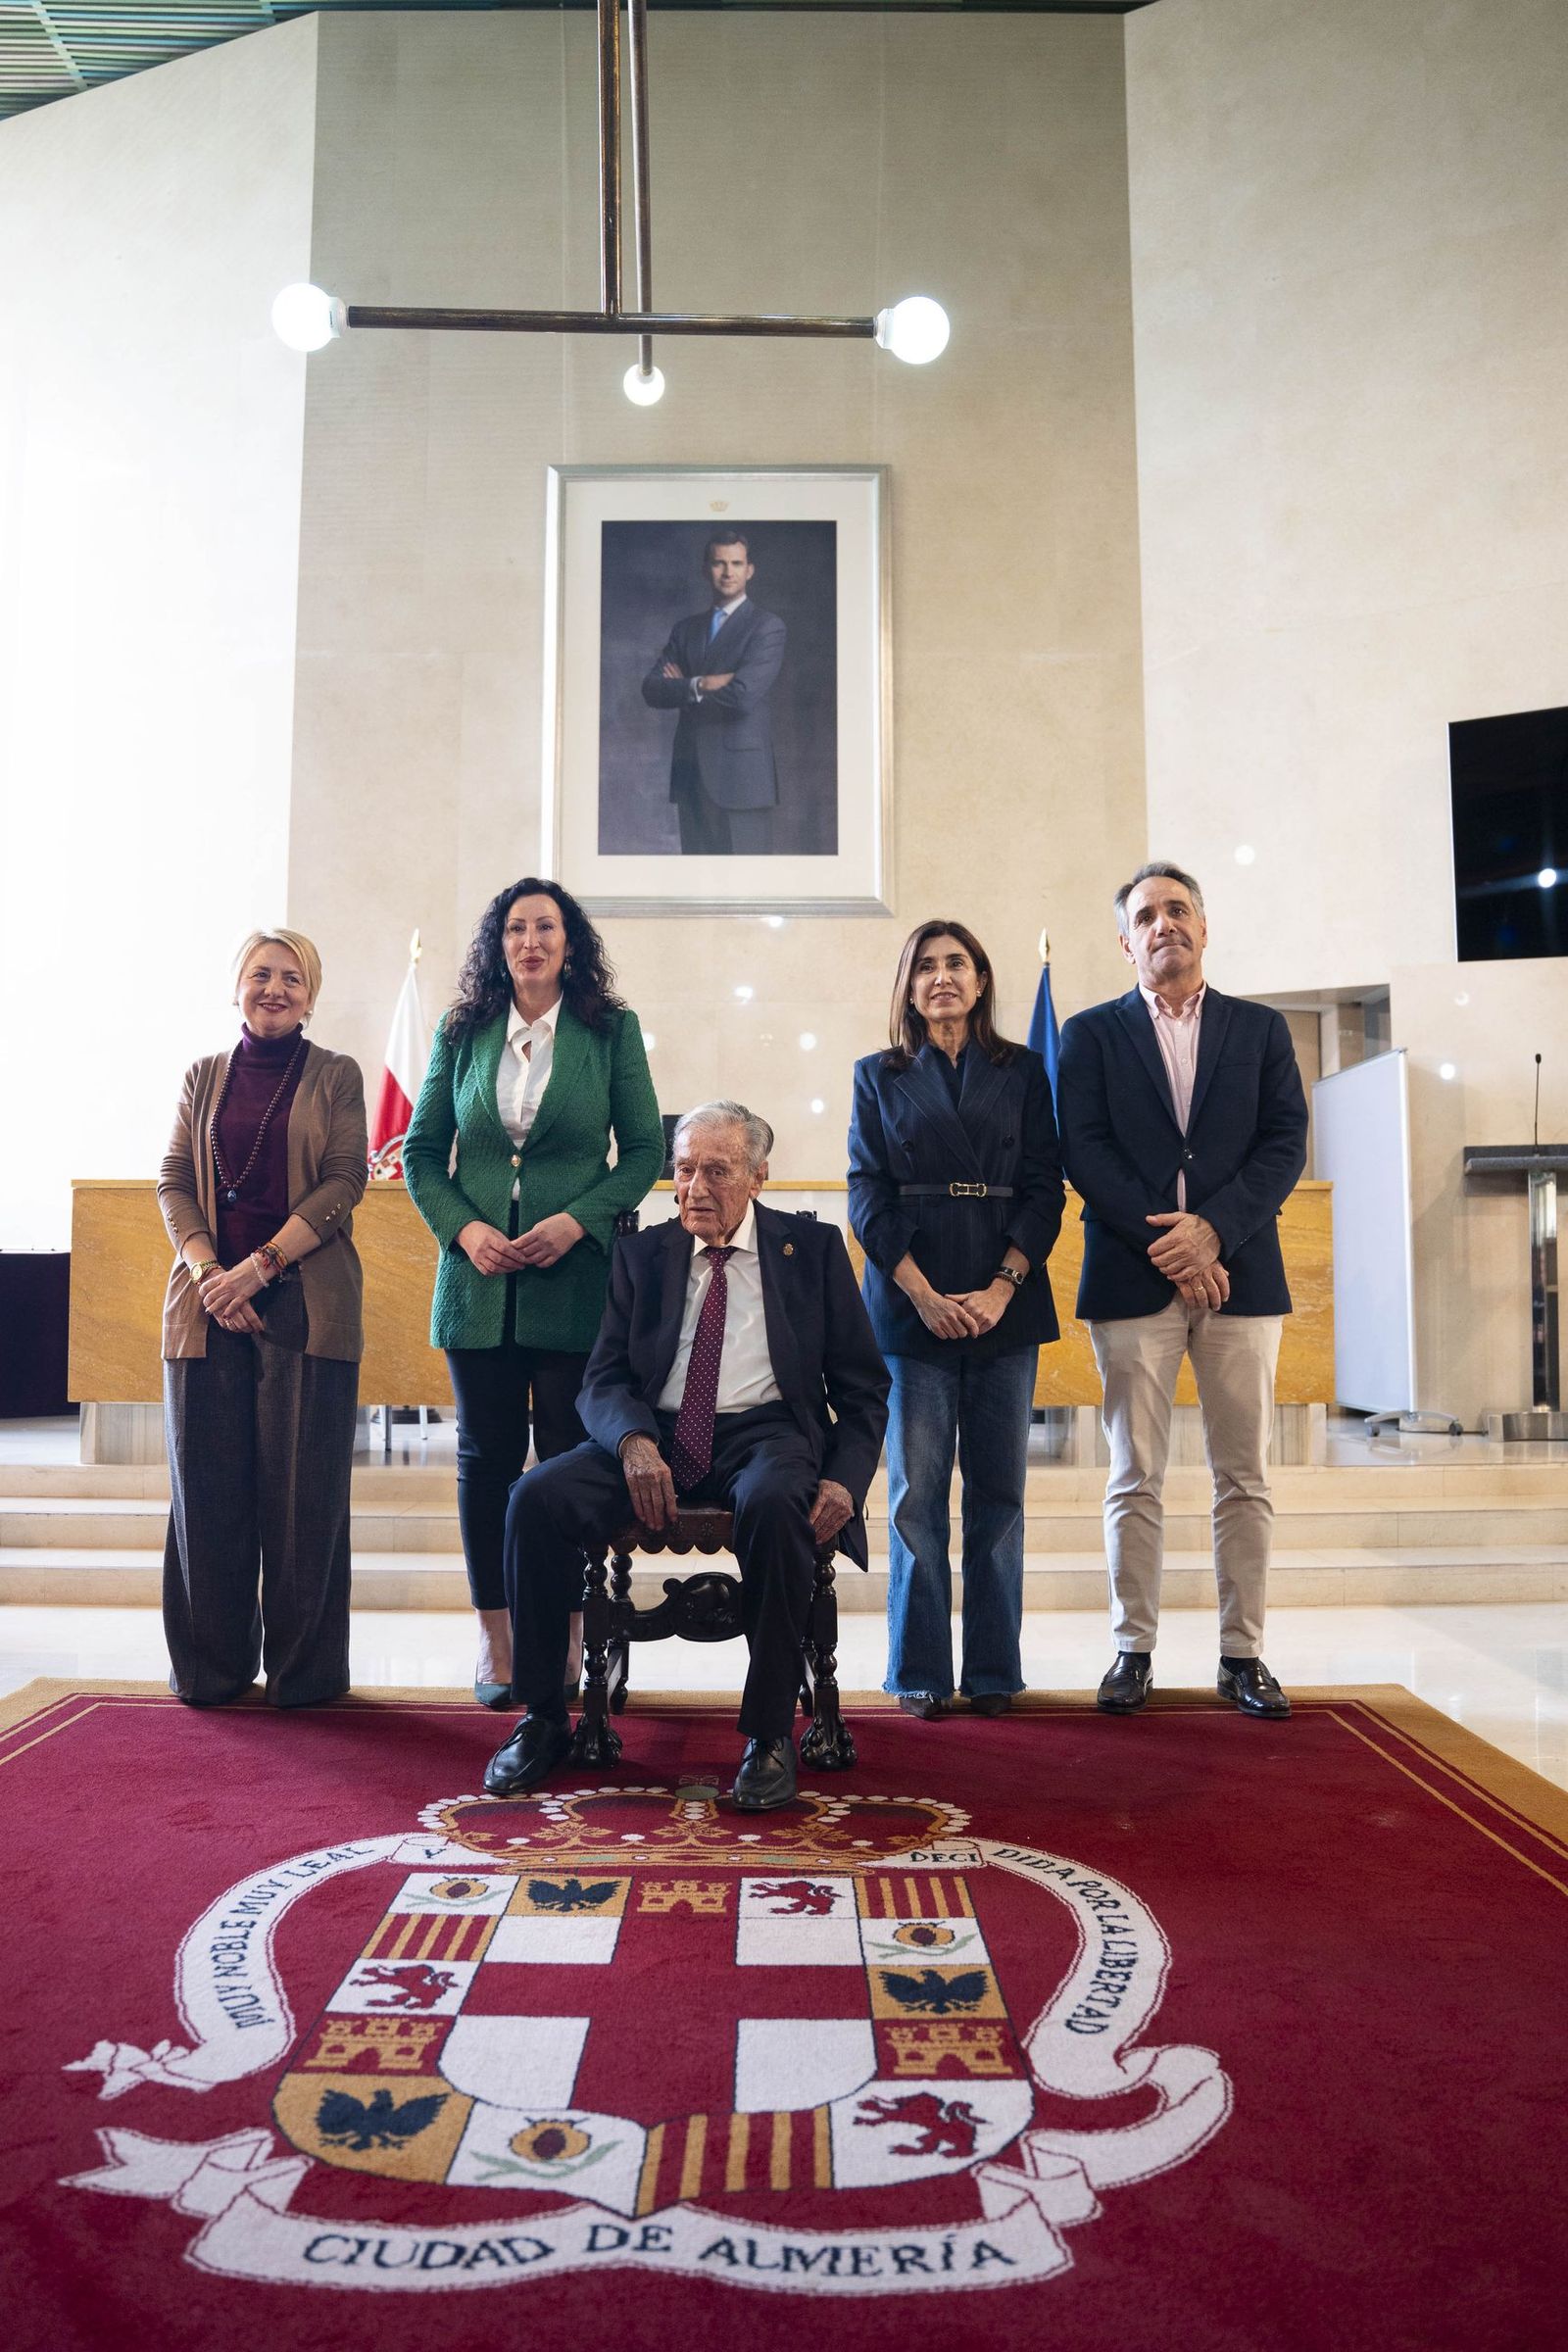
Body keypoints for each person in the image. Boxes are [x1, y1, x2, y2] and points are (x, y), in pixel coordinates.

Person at [484, 1101, 890, 1810]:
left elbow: (863, 1387)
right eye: (683, 1170)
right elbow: (604, 1377)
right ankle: (544, 1715)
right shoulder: (644, 1253)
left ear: (759, 1177)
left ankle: (768, 1736)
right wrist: (635, 1442)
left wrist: (846, 1480)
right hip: (655, 1432)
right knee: (534, 1499)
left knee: (772, 1503)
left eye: (717, 1171)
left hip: (767, 1432)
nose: (695, 1188)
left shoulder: (812, 1251)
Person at [403, 879, 664, 1709]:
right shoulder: (461, 1029)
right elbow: (420, 1154)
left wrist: (578, 1222)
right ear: (498, 943)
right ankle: (496, 1634)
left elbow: (643, 1152)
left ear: (569, 941)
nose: (531, 941)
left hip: (572, 1281)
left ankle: (569, 1632)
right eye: (515, 928)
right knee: (483, 1464)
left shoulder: (608, 1031)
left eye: (546, 927)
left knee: (563, 1460)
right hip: (476, 1286)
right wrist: (466, 1231)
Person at [1056, 861, 1308, 1719]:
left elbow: (1284, 1145)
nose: (1164, 924)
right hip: (1133, 1275)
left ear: (1205, 927)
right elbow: (1084, 1150)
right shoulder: (1088, 1035)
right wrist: (1173, 1242)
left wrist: (1215, 1230)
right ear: (1125, 940)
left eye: (1178, 910)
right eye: (1146, 915)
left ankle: (1244, 1655)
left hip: (1243, 1274)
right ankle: (1133, 1646)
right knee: (1135, 1472)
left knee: (1245, 1474)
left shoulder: (1262, 1029)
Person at [849, 920, 1064, 1721]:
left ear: (981, 981)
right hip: (913, 1311)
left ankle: (995, 1673)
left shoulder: (1026, 1070)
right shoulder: (878, 1074)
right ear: (908, 987)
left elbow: (1047, 1188)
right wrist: (922, 1293)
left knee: (1000, 1495)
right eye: (927, 966)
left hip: (1006, 1301)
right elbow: (866, 1194)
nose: (943, 977)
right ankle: (919, 1671)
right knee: (915, 1498)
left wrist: (1003, 1286)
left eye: (958, 964)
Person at [157, 929, 367, 1708]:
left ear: (310, 995)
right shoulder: (201, 1075)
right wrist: (212, 1272)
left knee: (304, 1500)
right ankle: (209, 1672)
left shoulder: (337, 1076)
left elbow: (345, 1178)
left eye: (290, 978)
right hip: (205, 1308)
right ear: (237, 987)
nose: (273, 989)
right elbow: (174, 1178)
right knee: (205, 1495)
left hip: (308, 1306)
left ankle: (303, 1677)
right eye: (259, 975)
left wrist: (260, 1267)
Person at [640, 531, 786, 855]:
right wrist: (701, 684)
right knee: (698, 890)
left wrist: (682, 688)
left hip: (743, 780)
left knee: (747, 890)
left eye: (736, 563)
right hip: (691, 774)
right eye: (719, 563)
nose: (727, 572)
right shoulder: (686, 629)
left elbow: (742, 696)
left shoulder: (766, 627)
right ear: (706, 569)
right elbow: (651, 689)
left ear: (750, 570)